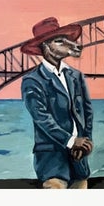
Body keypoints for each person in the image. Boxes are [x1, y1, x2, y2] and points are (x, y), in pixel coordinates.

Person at [18, 17, 93, 187]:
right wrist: (71, 141)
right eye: (60, 41)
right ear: (46, 47)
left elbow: (87, 112)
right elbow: (41, 117)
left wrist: (85, 141)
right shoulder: (33, 80)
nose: (71, 45)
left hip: (79, 156)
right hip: (51, 158)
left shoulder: (76, 76)